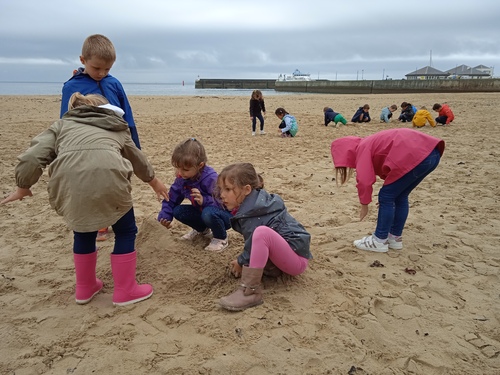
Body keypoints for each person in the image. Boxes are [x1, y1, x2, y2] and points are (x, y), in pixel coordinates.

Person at [1, 92, 169, 306]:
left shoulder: (61, 125)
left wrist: (23, 186)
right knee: (125, 231)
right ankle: (125, 290)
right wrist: (153, 182)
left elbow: (32, 157)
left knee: (83, 230)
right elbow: (138, 159)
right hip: (111, 181)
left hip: (72, 185)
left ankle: (84, 288)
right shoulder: (116, 126)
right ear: (106, 110)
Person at [60, 34, 142, 241]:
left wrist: (135, 146)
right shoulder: (71, 87)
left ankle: (118, 219)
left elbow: (127, 115)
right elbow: (65, 120)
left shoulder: (113, 83)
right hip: (86, 145)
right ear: (83, 61)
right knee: (93, 182)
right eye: (97, 68)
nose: (102, 73)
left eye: (107, 69)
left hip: (116, 143)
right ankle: (100, 225)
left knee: (118, 180)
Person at [330, 128, 445, 253]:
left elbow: (364, 180)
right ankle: (394, 238)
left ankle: (379, 240)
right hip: (432, 153)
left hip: (417, 155)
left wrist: (364, 205)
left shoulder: (363, 147)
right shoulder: (369, 142)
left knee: (386, 196)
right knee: (400, 195)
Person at [216, 163, 312, 311]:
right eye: (221, 189)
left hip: (296, 260)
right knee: (261, 234)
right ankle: (272, 269)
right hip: (291, 253)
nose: (222, 194)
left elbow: (252, 243)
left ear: (247, 189)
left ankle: (250, 291)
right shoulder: (257, 203)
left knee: (261, 233)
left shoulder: (253, 211)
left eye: (228, 189)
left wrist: (241, 262)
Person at [157, 138, 232, 252]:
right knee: (178, 211)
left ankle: (221, 237)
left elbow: (225, 202)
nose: (180, 173)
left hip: (223, 216)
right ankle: (202, 230)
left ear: (200, 165)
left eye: (185, 169)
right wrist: (164, 218)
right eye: (177, 168)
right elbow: (171, 199)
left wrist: (204, 200)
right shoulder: (181, 178)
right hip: (203, 213)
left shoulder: (211, 178)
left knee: (208, 212)